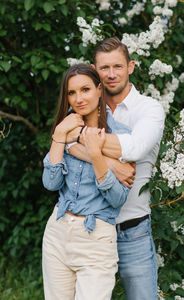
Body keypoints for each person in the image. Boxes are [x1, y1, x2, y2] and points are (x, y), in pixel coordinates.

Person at [66, 37, 165, 300]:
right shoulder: (84, 104)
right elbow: (61, 145)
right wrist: (110, 163)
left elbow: (133, 148)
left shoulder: (149, 109)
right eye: (104, 68)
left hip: (132, 232)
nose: (111, 75)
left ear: (131, 66)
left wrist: (76, 135)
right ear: (93, 69)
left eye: (118, 67)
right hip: (90, 232)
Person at [42, 64, 132, 300]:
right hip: (58, 233)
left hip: (97, 239)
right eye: (72, 93)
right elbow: (51, 183)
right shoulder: (65, 129)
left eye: (85, 89)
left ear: (99, 89)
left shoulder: (121, 137)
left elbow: (118, 199)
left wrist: (95, 155)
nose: (78, 98)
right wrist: (59, 136)